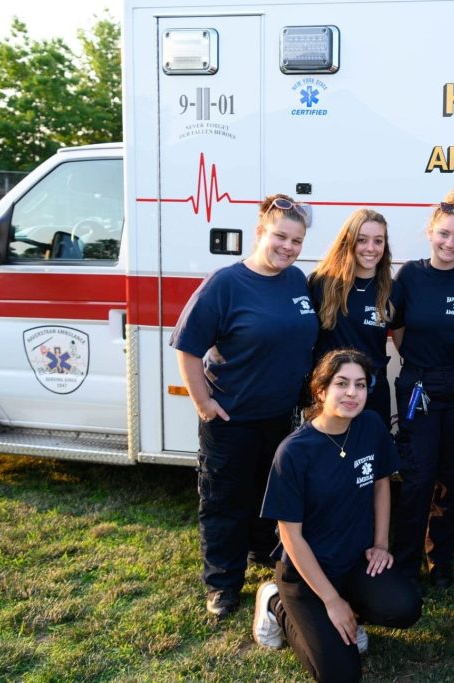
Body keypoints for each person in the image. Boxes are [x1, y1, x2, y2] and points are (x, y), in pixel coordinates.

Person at [171, 194, 319, 617]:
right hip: (231, 418)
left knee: (268, 497)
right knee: (225, 502)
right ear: (260, 233)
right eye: (280, 237)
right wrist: (203, 403)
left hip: (281, 418)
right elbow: (188, 347)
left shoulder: (296, 281)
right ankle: (222, 584)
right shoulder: (225, 282)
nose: (288, 247)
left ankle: (260, 554)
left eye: (296, 240)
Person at [252, 349, 421, 682]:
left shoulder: (370, 425)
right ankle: (277, 607)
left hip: (354, 560)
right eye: (341, 383)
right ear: (321, 390)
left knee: (405, 607)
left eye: (360, 385)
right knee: (341, 675)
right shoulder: (294, 452)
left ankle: (348, 611)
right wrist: (331, 601)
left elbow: (381, 483)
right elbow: (290, 536)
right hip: (307, 574)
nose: (352, 393)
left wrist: (381, 544)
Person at [389, 189, 454, 589]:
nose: (450, 243)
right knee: (418, 474)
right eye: (444, 234)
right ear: (430, 231)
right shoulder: (410, 275)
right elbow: (395, 328)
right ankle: (406, 561)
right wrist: (421, 362)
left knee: (451, 473)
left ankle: (439, 559)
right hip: (420, 386)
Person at [310, 208, 400, 426]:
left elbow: (404, 342)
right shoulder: (321, 283)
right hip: (329, 394)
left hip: (372, 393)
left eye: (378, 241)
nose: (371, 248)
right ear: (348, 241)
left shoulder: (392, 290)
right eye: (362, 240)